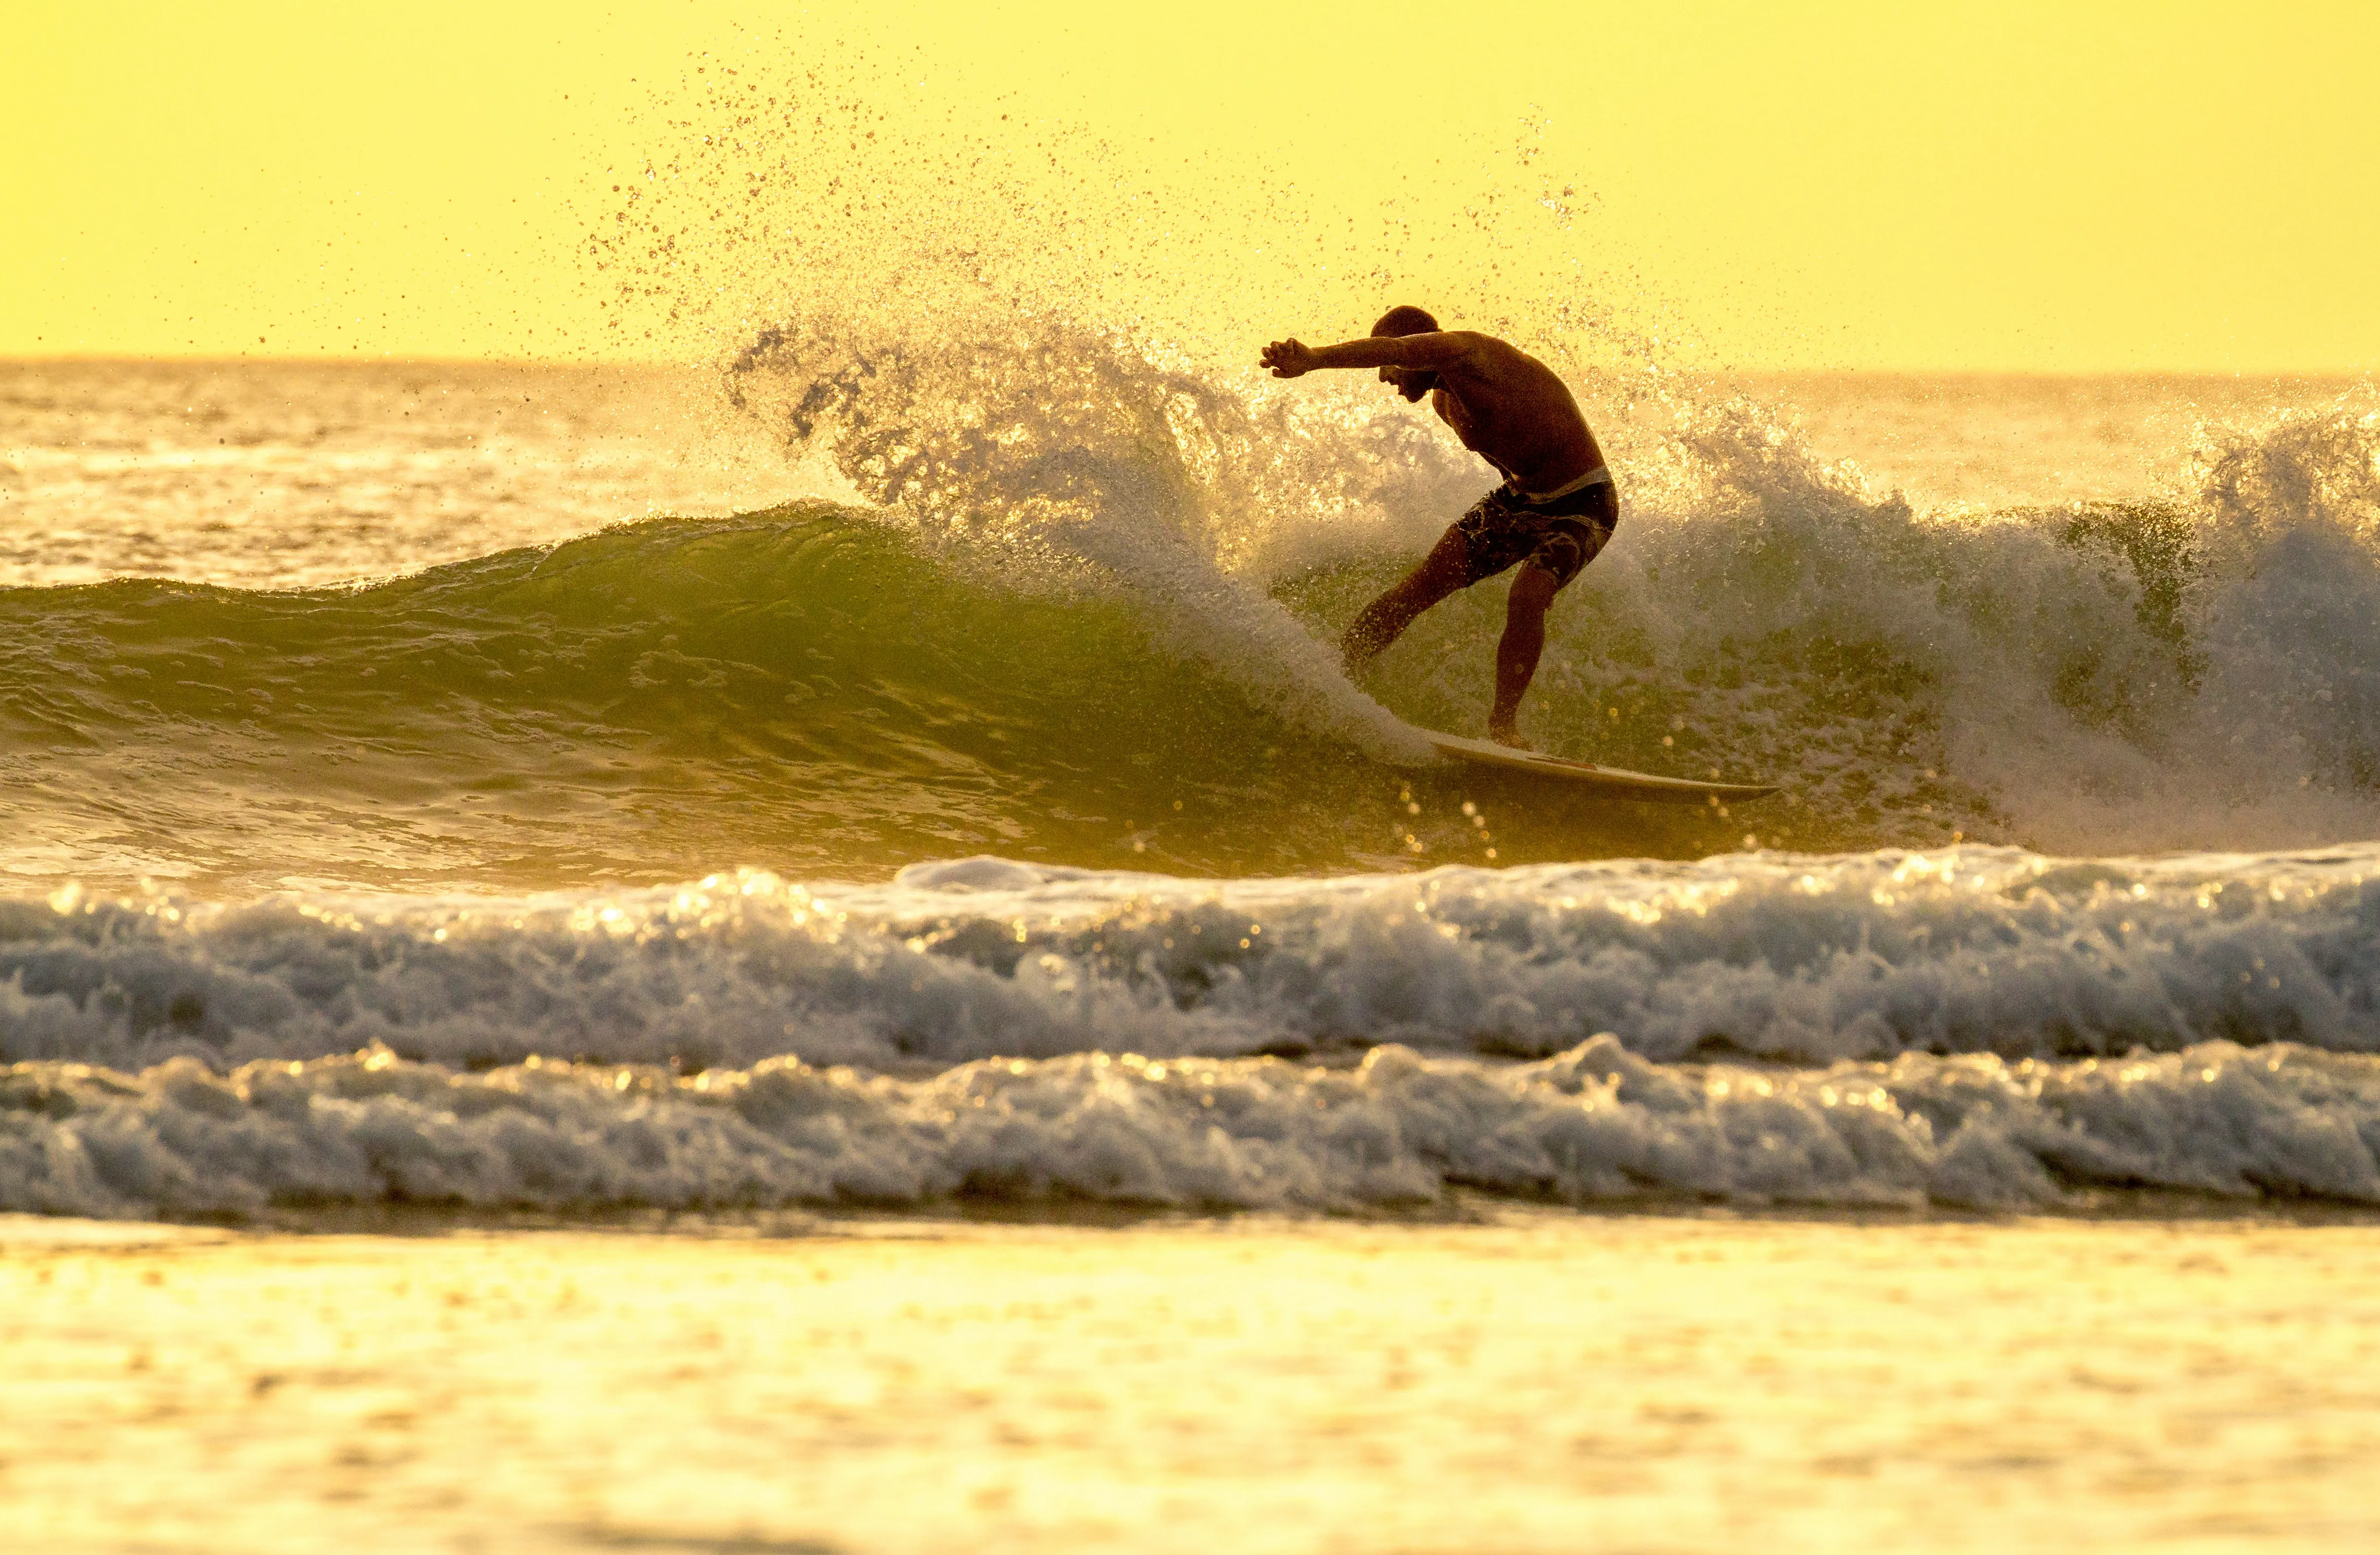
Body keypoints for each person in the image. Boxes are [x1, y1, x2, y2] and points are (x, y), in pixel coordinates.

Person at [1260, 306, 1616, 748]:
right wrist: (1514, 526)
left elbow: (1390, 349)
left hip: (1584, 499)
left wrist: (1313, 359)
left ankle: (1504, 728)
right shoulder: (1445, 402)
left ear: (1416, 350)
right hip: (1522, 500)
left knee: (1527, 597)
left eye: (1390, 367)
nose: (1385, 377)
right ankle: (1334, 675)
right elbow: (1509, 458)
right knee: (1418, 587)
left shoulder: (1468, 353)